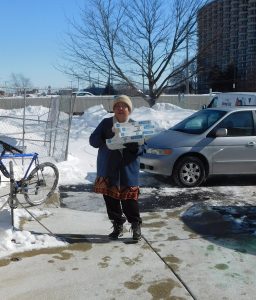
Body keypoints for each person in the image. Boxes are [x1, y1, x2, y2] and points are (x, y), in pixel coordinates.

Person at [89, 95, 143, 241]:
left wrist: (135, 148)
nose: (120, 108)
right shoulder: (106, 123)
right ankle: (118, 224)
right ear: (113, 109)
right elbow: (92, 140)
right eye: (117, 106)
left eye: (124, 106)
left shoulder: (133, 125)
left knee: (130, 202)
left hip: (127, 170)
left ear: (129, 110)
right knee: (111, 202)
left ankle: (135, 225)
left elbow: (143, 147)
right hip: (108, 169)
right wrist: (104, 139)